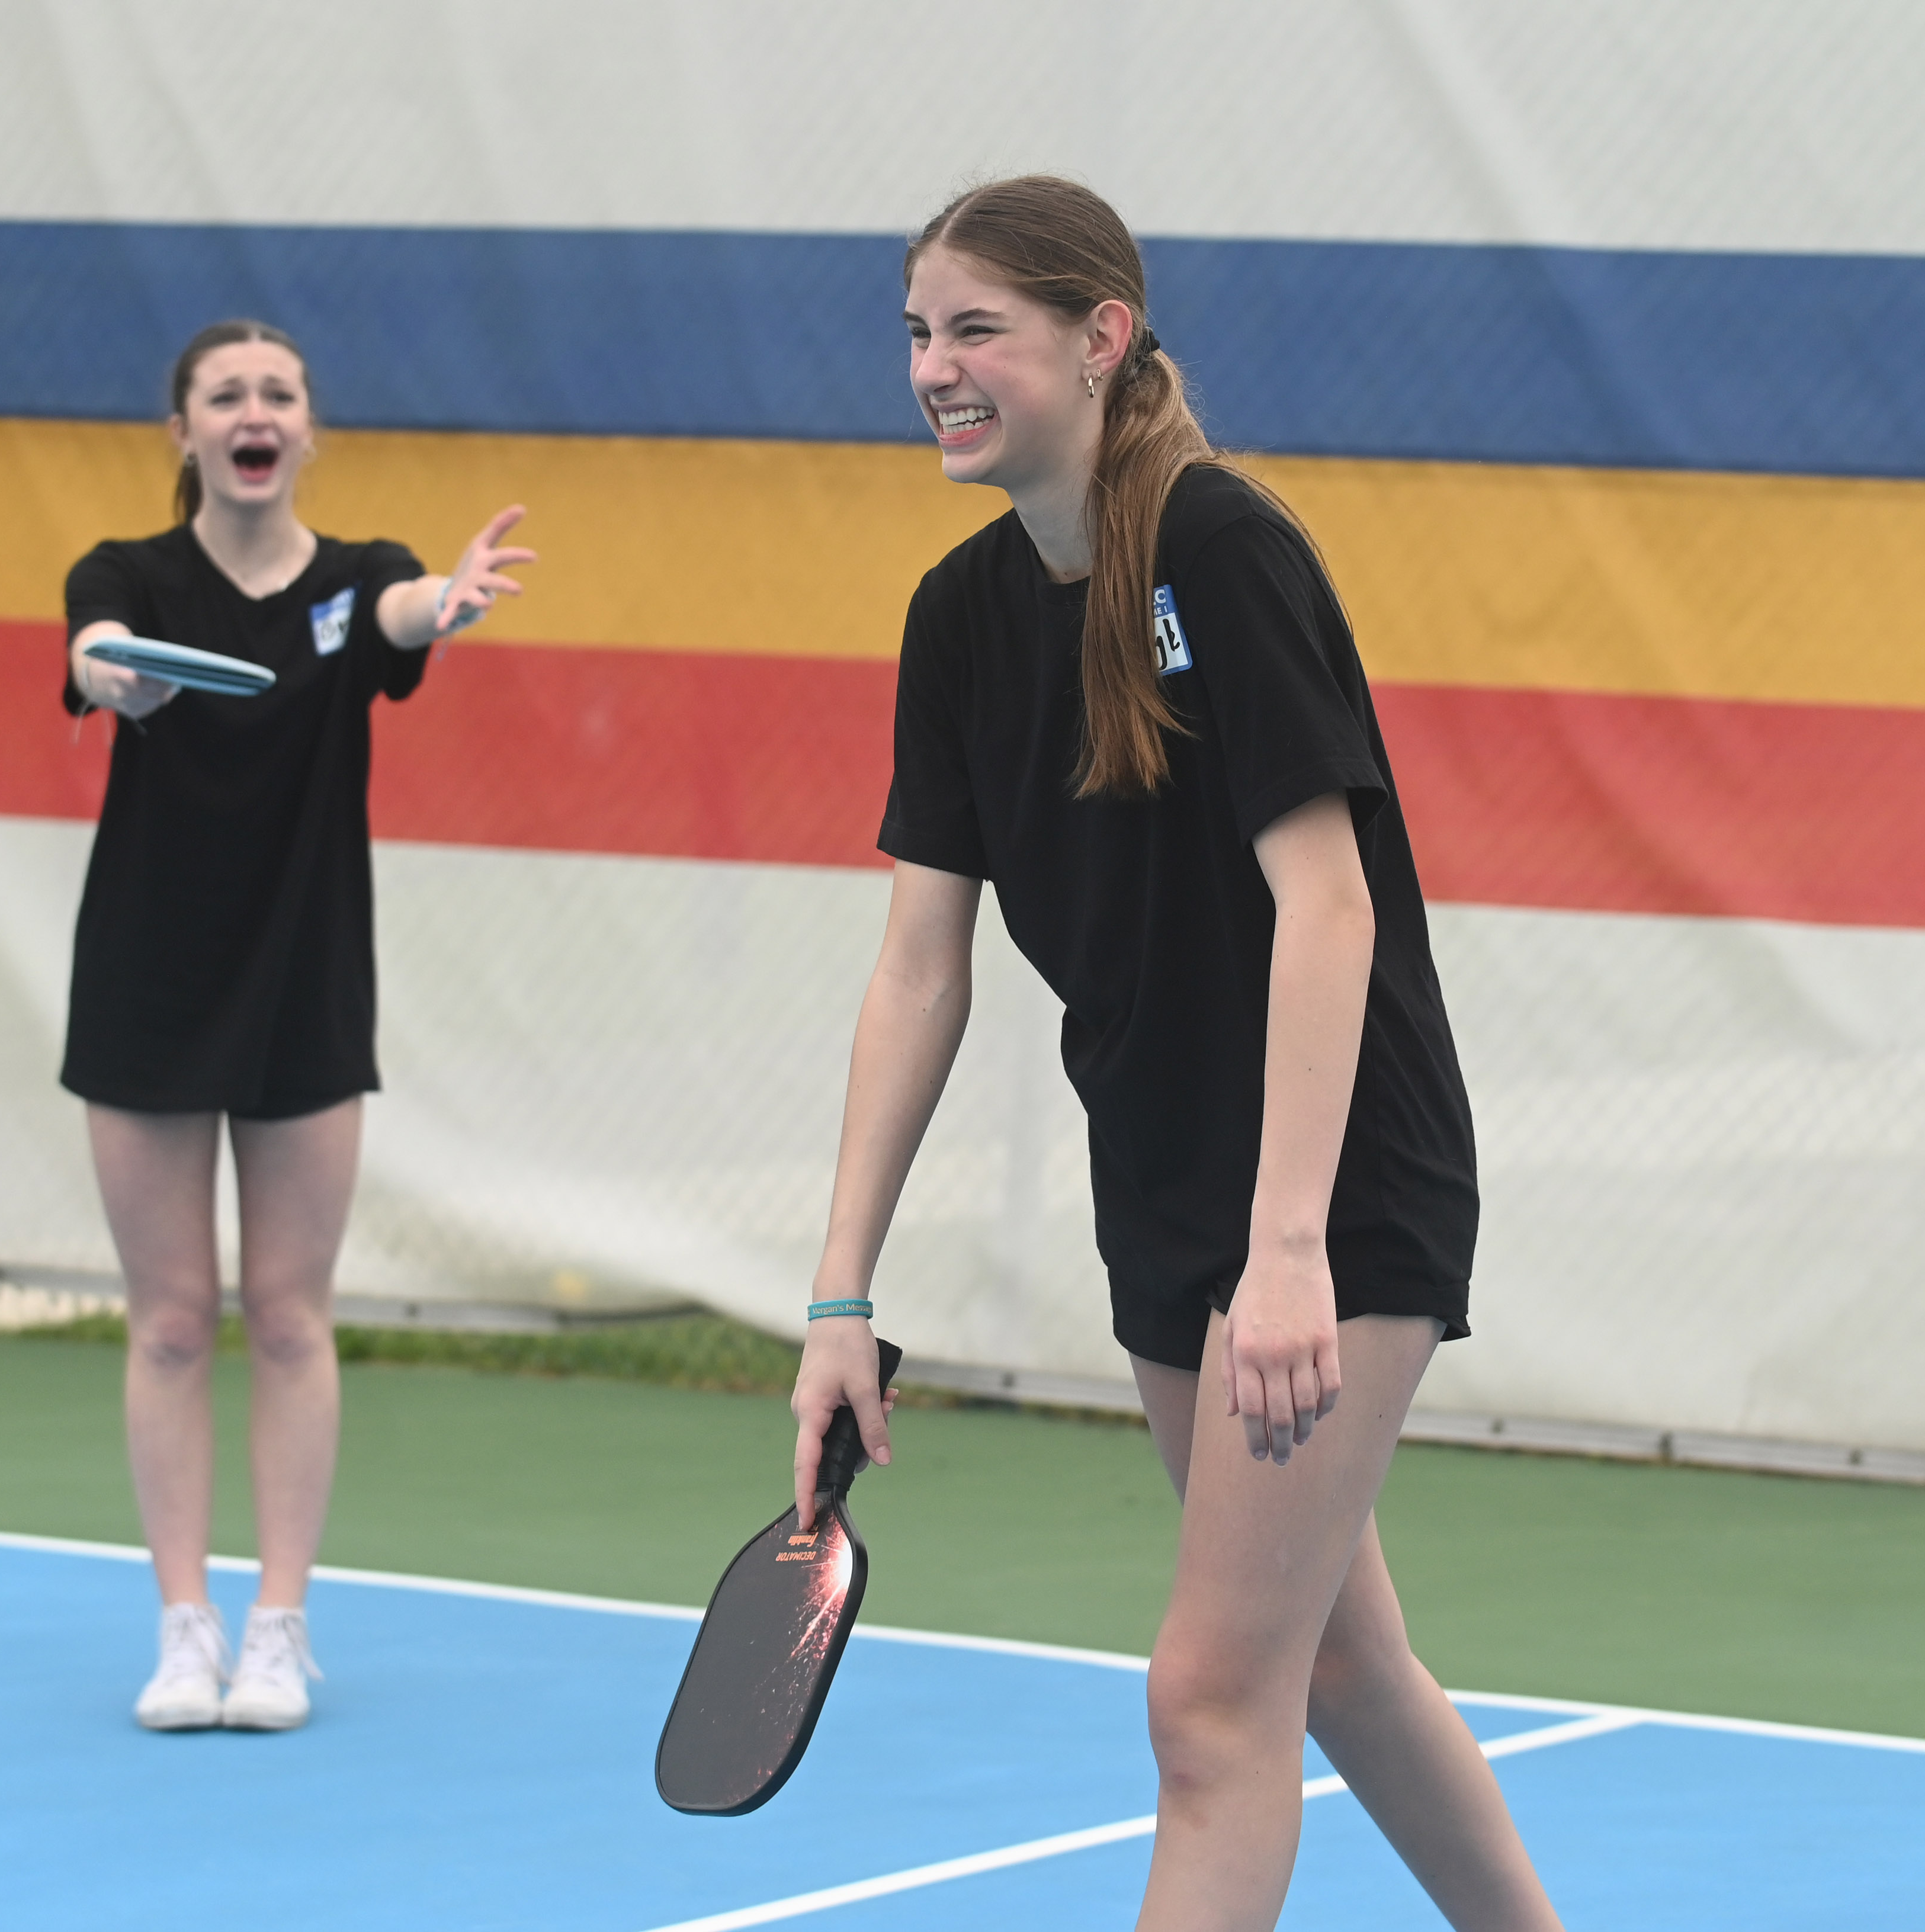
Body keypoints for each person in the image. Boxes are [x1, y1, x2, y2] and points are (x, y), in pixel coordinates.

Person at [790, 179, 1563, 1930]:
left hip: (1335, 1188)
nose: (935, 368)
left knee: (1213, 1696)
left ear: (1101, 336)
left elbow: (1332, 906)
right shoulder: (960, 614)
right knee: (1346, 1667)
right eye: (918, 332)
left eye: (976, 327)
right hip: (1161, 1185)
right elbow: (922, 968)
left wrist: (1288, 1246)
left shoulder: (1226, 550)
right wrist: (841, 1292)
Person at [62, 319, 535, 1732]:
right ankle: (182, 1627)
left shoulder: (358, 580)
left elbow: (397, 622)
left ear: (306, 432)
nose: (252, 410)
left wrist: (441, 603)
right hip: (148, 978)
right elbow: (94, 651)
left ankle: (278, 1625)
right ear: (186, 432)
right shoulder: (127, 577)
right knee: (165, 1322)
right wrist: (112, 674)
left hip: (307, 975)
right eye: (226, 394)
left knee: (284, 1313)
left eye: (277, 392)